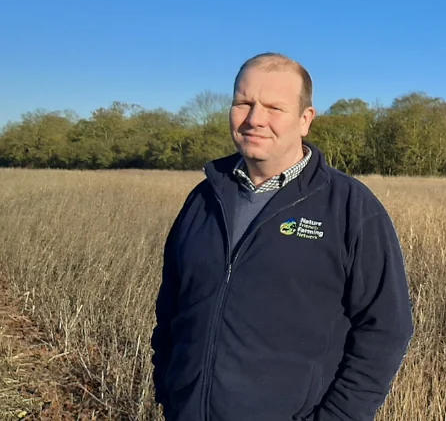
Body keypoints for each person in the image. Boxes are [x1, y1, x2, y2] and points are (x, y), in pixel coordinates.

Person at [150, 53, 414, 421]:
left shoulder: (351, 208)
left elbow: (387, 328)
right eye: (243, 103)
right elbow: (171, 308)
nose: (255, 119)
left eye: (274, 107)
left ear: (305, 120)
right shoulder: (203, 199)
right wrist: (168, 389)